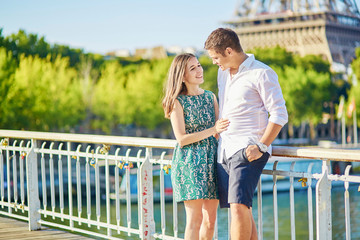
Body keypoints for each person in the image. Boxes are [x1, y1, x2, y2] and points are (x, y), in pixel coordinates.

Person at [204, 28, 288, 240]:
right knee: (242, 207)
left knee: (238, 207)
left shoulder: (262, 73)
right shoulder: (223, 73)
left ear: (229, 51)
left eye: (215, 57)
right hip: (224, 149)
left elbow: (279, 114)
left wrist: (261, 146)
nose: (214, 62)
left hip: (248, 148)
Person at [162, 53, 229, 240]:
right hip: (189, 162)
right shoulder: (177, 101)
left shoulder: (210, 97)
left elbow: (219, 131)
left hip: (211, 160)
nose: (200, 70)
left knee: (210, 221)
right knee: (195, 219)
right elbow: (181, 139)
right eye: (193, 68)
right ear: (182, 76)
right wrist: (213, 129)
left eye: (199, 65)